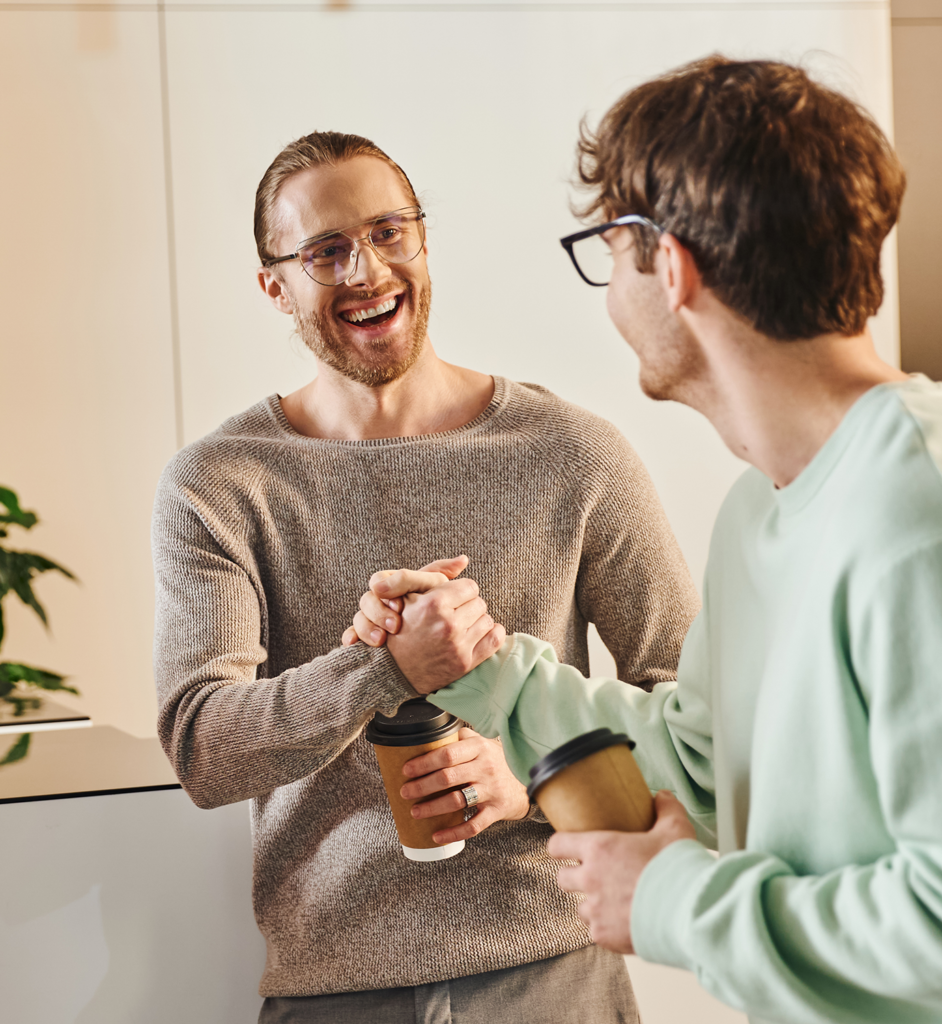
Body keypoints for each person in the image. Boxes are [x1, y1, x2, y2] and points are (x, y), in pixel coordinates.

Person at [346, 57, 942, 1023]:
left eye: (608, 251)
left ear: (670, 267)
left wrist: (670, 901)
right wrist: (476, 669)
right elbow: (702, 761)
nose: (608, 292)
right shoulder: (766, 508)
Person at [151, 131, 700, 1022]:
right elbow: (205, 750)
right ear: (276, 287)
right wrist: (385, 668)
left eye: (388, 232)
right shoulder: (219, 484)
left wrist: (530, 782)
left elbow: (689, 708)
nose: (366, 270)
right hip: (334, 989)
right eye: (326, 252)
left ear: (423, 242)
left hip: (553, 975)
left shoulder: (572, 454)